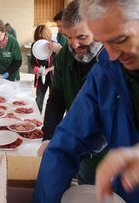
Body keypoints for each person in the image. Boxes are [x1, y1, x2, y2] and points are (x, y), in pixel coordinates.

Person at [32, 0, 139, 202]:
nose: (112, 55)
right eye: (104, 42)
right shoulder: (107, 70)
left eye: (121, 39)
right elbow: (68, 142)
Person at [38, 0, 105, 186]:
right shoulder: (65, 56)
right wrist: (49, 136)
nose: (74, 45)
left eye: (82, 37)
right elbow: (56, 99)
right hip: (75, 144)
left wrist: (71, 148)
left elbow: (108, 122)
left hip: (108, 154)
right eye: (67, 37)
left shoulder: (112, 61)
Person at [30, 24, 58, 112]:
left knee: (54, 100)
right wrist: (36, 69)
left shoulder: (54, 45)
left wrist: (47, 70)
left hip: (53, 76)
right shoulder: (34, 46)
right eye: (39, 38)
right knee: (39, 99)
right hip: (41, 76)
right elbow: (32, 61)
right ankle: (37, 120)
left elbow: (58, 64)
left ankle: (50, 120)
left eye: (43, 37)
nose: (41, 39)